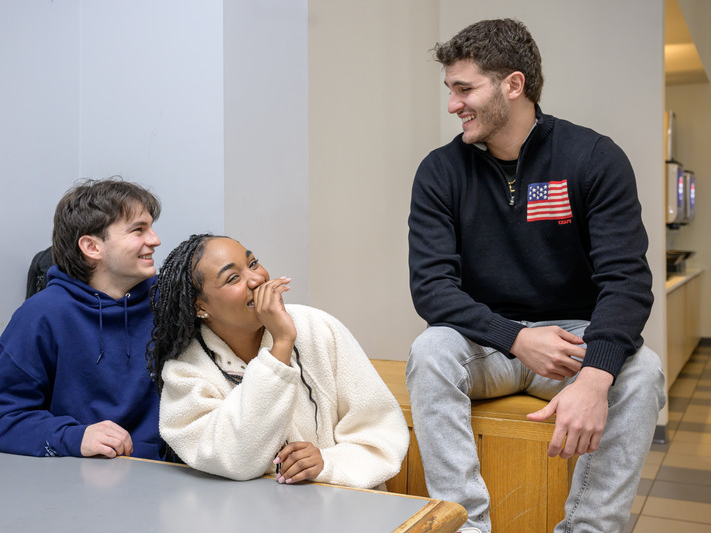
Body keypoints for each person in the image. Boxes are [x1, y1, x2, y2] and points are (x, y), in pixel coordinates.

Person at [406, 19, 666, 533]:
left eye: (464, 89)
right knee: (430, 351)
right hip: (487, 343)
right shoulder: (440, 171)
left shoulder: (593, 157)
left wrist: (595, 377)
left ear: (513, 84)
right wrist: (516, 338)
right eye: (450, 90)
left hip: (573, 343)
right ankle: (465, 526)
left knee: (644, 372)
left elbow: (626, 282)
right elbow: (432, 289)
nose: (453, 104)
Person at [147, 234, 409, 489]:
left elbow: (381, 434)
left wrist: (327, 463)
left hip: (346, 505)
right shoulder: (186, 372)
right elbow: (235, 460)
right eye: (233, 278)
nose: (257, 279)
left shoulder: (318, 327)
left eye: (253, 263)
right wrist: (282, 343)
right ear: (200, 306)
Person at [0, 177, 168, 461]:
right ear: (92, 247)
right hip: (81, 476)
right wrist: (73, 437)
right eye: (138, 230)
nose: (155, 240)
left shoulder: (170, 302)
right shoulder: (42, 314)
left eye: (151, 227)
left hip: (167, 474)